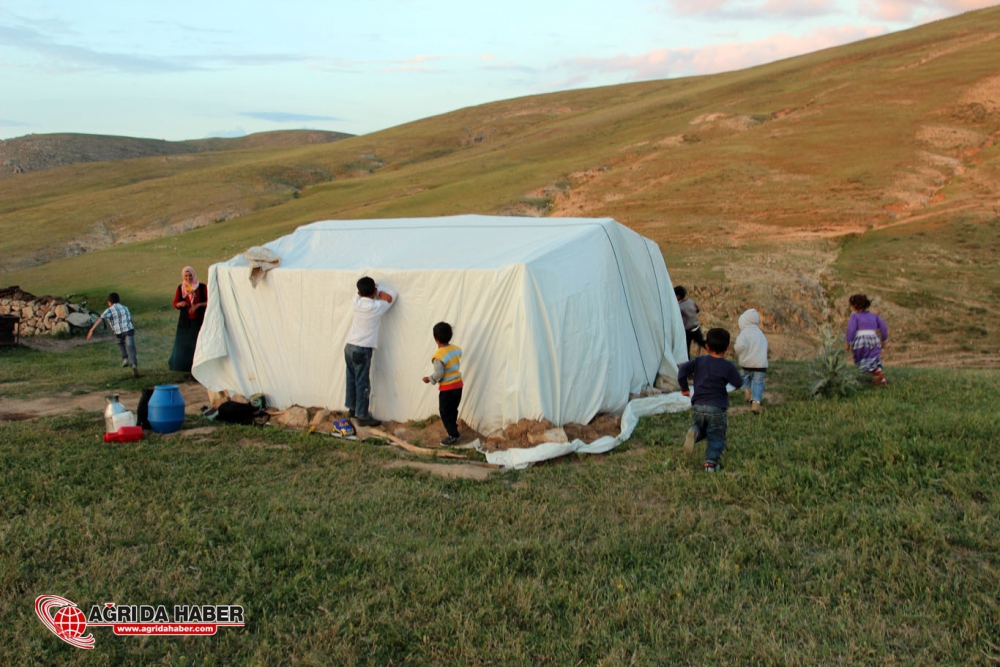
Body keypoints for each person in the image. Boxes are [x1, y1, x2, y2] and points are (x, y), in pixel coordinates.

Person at [677, 327, 744, 472]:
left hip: (698, 405)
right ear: (727, 347)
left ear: (706, 346)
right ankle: (710, 464)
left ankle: (694, 432)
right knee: (716, 435)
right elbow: (739, 382)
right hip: (717, 407)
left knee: (703, 427)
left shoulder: (699, 361)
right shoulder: (727, 367)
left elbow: (682, 371)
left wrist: (684, 388)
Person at [345, 276, 398, 427]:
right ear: (373, 291)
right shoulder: (376, 307)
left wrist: (373, 290)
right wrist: (379, 291)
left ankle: (352, 408)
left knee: (351, 379)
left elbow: (360, 295)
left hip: (349, 346)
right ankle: (362, 415)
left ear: (359, 293)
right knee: (362, 382)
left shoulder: (355, 303)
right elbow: (393, 295)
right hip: (362, 348)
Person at [422, 322, 464, 446]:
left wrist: (429, 379)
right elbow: (458, 355)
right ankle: (453, 427)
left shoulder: (438, 356)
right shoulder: (456, 349)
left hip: (448, 389)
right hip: (458, 386)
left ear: (436, 339)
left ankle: (453, 435)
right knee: (453, 409)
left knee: (444, 411)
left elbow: (439, 374)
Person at [87, 292, 139, 378]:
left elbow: (100, 318)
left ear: (109, 302)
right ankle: (134, 364)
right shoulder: (125, 308)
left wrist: (91, 330)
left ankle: (125, 358)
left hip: (118, 332)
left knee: (121, 343)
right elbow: (130, 318)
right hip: (129, 329)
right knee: (131, 346)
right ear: (119, 300)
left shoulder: (109, 310)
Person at [168, 266, 208, 375]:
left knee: (198, 343)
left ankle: (200, 366)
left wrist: (198, 305)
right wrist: (180, 304)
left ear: (193, 275)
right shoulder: (181, 288)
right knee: (184, 344)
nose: (188, 278)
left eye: (190, 275)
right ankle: (184, 367)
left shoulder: (202, 287)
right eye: (186, 276)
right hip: (185, 322)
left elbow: (209, 301)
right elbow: (175, 303)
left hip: (199, 321)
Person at [846, 293, 889, 385]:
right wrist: (884, 338)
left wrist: (848, 342)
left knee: (864, 360)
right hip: (874, 339)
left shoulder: (855, 317)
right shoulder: (874, 316)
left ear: (854, 306)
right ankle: (882, 380)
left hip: (861, 341)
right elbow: (883, 327)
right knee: (874, 359)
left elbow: (851, 329)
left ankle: (877, 372)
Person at [734, 308, 769, 414]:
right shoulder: (761, 334)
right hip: (760, 365)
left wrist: (738, 351)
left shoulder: (744, 333)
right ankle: (756, 402)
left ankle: (747, 390)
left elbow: (740, 345)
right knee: (758, 383)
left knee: (744, 377)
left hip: (747, 363)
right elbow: (766, 346)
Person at [674, 285, 706, 358]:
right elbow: (697, 310)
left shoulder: (678, 306)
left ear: (678, 296)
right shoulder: (691, 301)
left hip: (687, 331)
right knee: (702, 342)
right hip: (696, 327)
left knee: (686, 349)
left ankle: (687, 364)